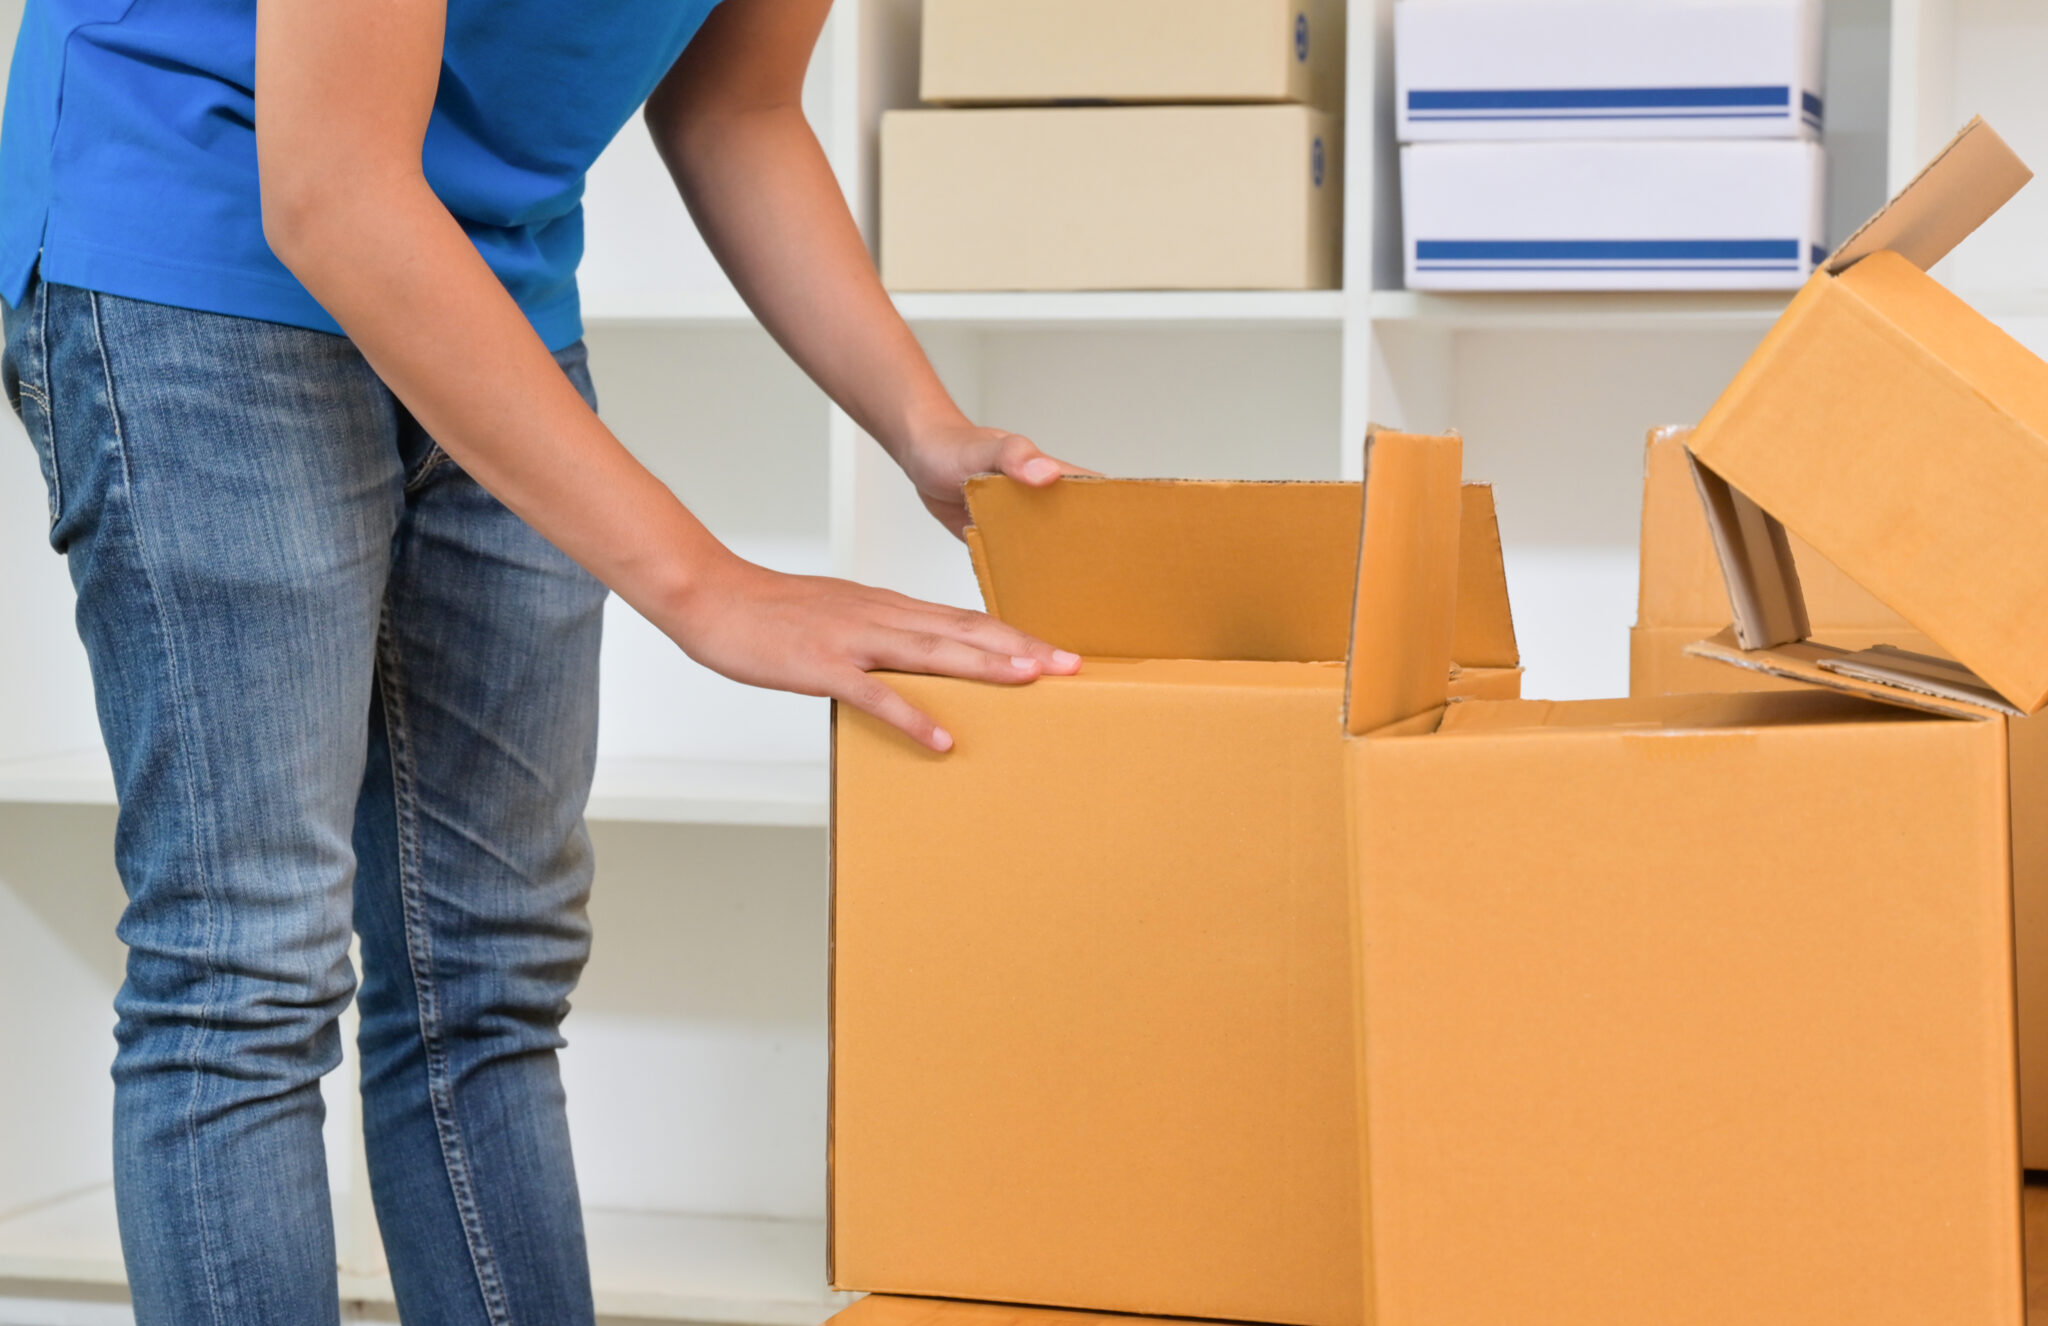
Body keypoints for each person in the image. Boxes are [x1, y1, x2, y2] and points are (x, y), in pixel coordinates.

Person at [0, 0, 1088, 1321]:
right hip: (196, 229)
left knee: (490, 968)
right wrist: (708, 585)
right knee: (250, 965)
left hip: (481, 275)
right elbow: (332, 188)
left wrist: (921, 421)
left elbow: (736, 107)